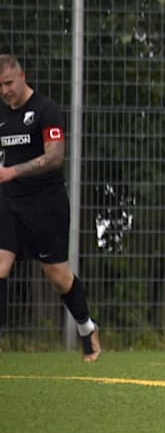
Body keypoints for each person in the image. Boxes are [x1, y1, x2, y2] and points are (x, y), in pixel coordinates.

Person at [0, 54, 101, 361]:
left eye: (8, 83)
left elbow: (55, 157)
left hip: (46, 206)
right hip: (8, 203)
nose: (4, 91)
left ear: (22, 77)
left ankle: (86, 327)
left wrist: (14, 171)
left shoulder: (46, 110)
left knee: (58, 275)